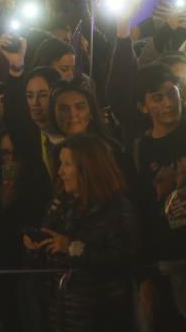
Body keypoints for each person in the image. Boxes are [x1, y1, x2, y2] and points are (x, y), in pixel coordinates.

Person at [24, 133, 138, 332]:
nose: (60, 172)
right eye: (60, 164)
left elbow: (123, 261)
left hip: (98, 317)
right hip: (58, 315)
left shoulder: (118, 209)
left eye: (67, 164)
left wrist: (72, 248)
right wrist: (38, 247)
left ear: (88, 168)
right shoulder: (58, 206)